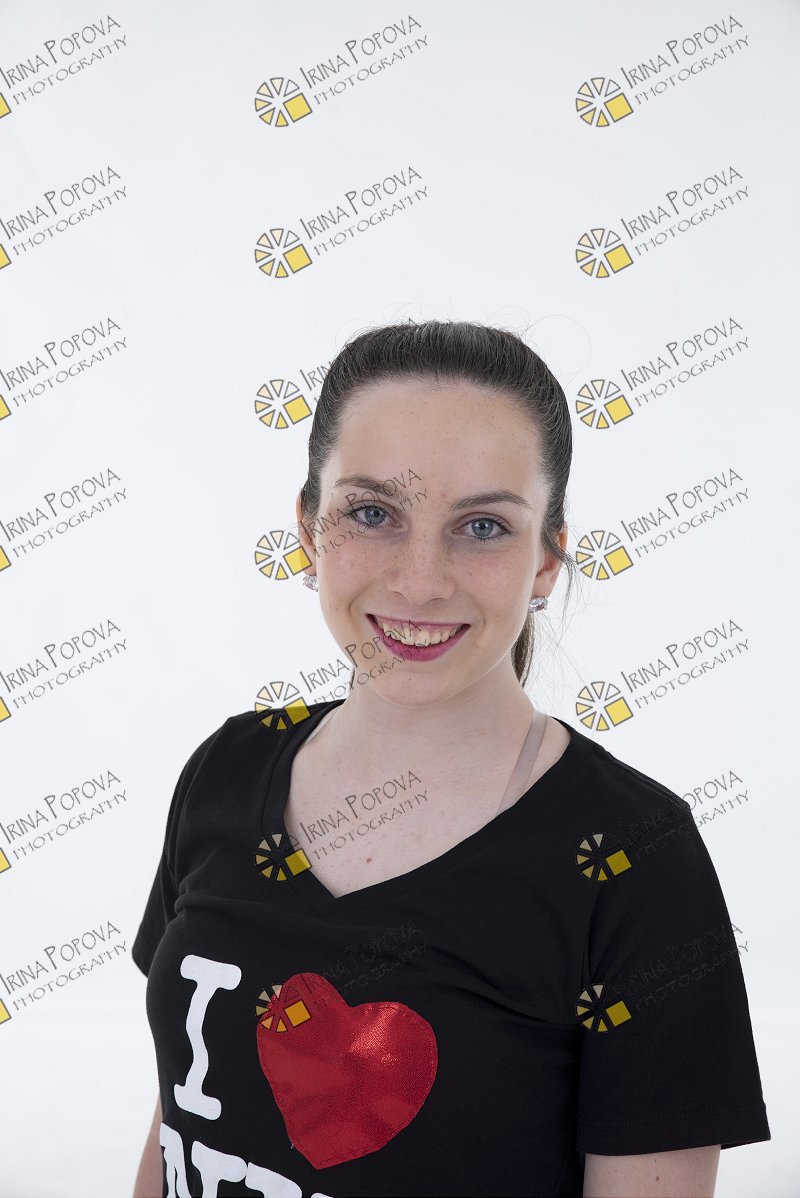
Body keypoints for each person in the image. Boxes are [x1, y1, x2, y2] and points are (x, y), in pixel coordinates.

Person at [132, 321, 770, 1198]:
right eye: (372, 514)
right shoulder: (228, 768)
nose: (422, 581)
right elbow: (180, 1116)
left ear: (547, 560)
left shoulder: (634, 855)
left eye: (482, 526)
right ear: (309, 530)